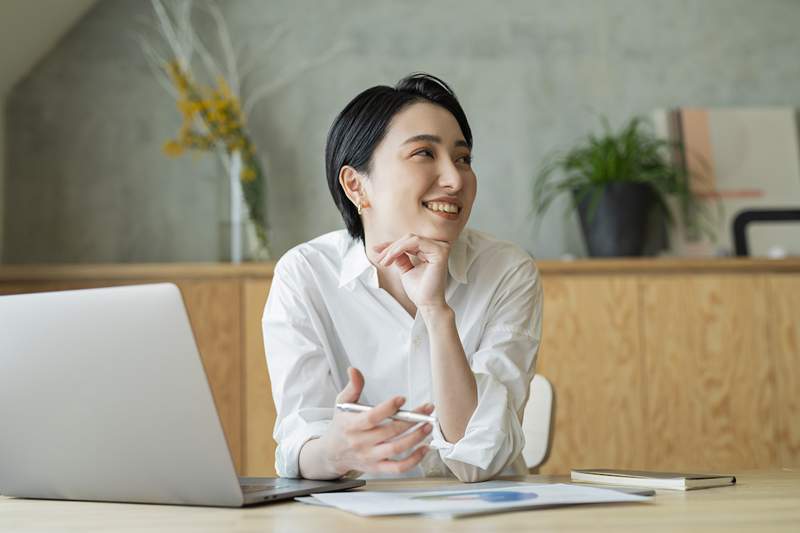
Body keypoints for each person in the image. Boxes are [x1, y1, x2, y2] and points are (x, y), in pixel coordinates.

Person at [262, 73, 542, 482]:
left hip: (480, 517)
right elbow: (298, 441)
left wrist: (436, 311)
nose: (455, 179)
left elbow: (478, 457)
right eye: (424, 154)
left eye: (463, 158)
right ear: (356, 186)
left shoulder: (506, 271)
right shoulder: (304, 274)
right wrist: (336, 451)